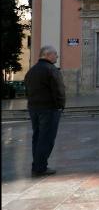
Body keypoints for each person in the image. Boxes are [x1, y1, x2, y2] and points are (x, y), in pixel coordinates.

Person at [24, 46, 65, 177]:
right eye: (55, 54)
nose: (57, 57)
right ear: (47, 55)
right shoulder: (51, 70)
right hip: (49, 109)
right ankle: (40, 168)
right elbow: (59, 90)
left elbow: (27, 91)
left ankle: (37, 165)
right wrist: (60, 106)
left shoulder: (31, 71)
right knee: (46, 139)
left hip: (34, 108)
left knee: (37, 137)